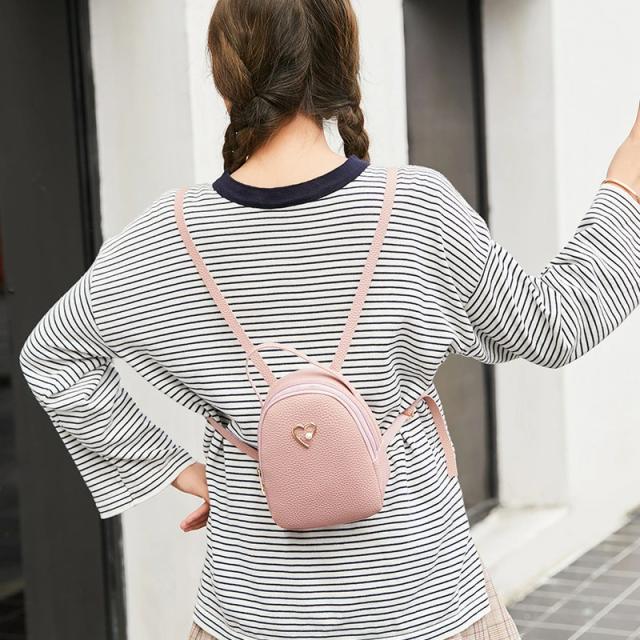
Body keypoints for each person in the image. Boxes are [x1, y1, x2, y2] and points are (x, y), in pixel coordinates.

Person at [18, 0, 640, 639]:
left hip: (252, 614)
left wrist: (171, 466)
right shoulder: (416, 208)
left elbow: (51, 357)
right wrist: (628, 177)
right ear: (343, 67)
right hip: (423, 606)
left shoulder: (165, 235)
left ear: (225, 77)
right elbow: (557, 324)